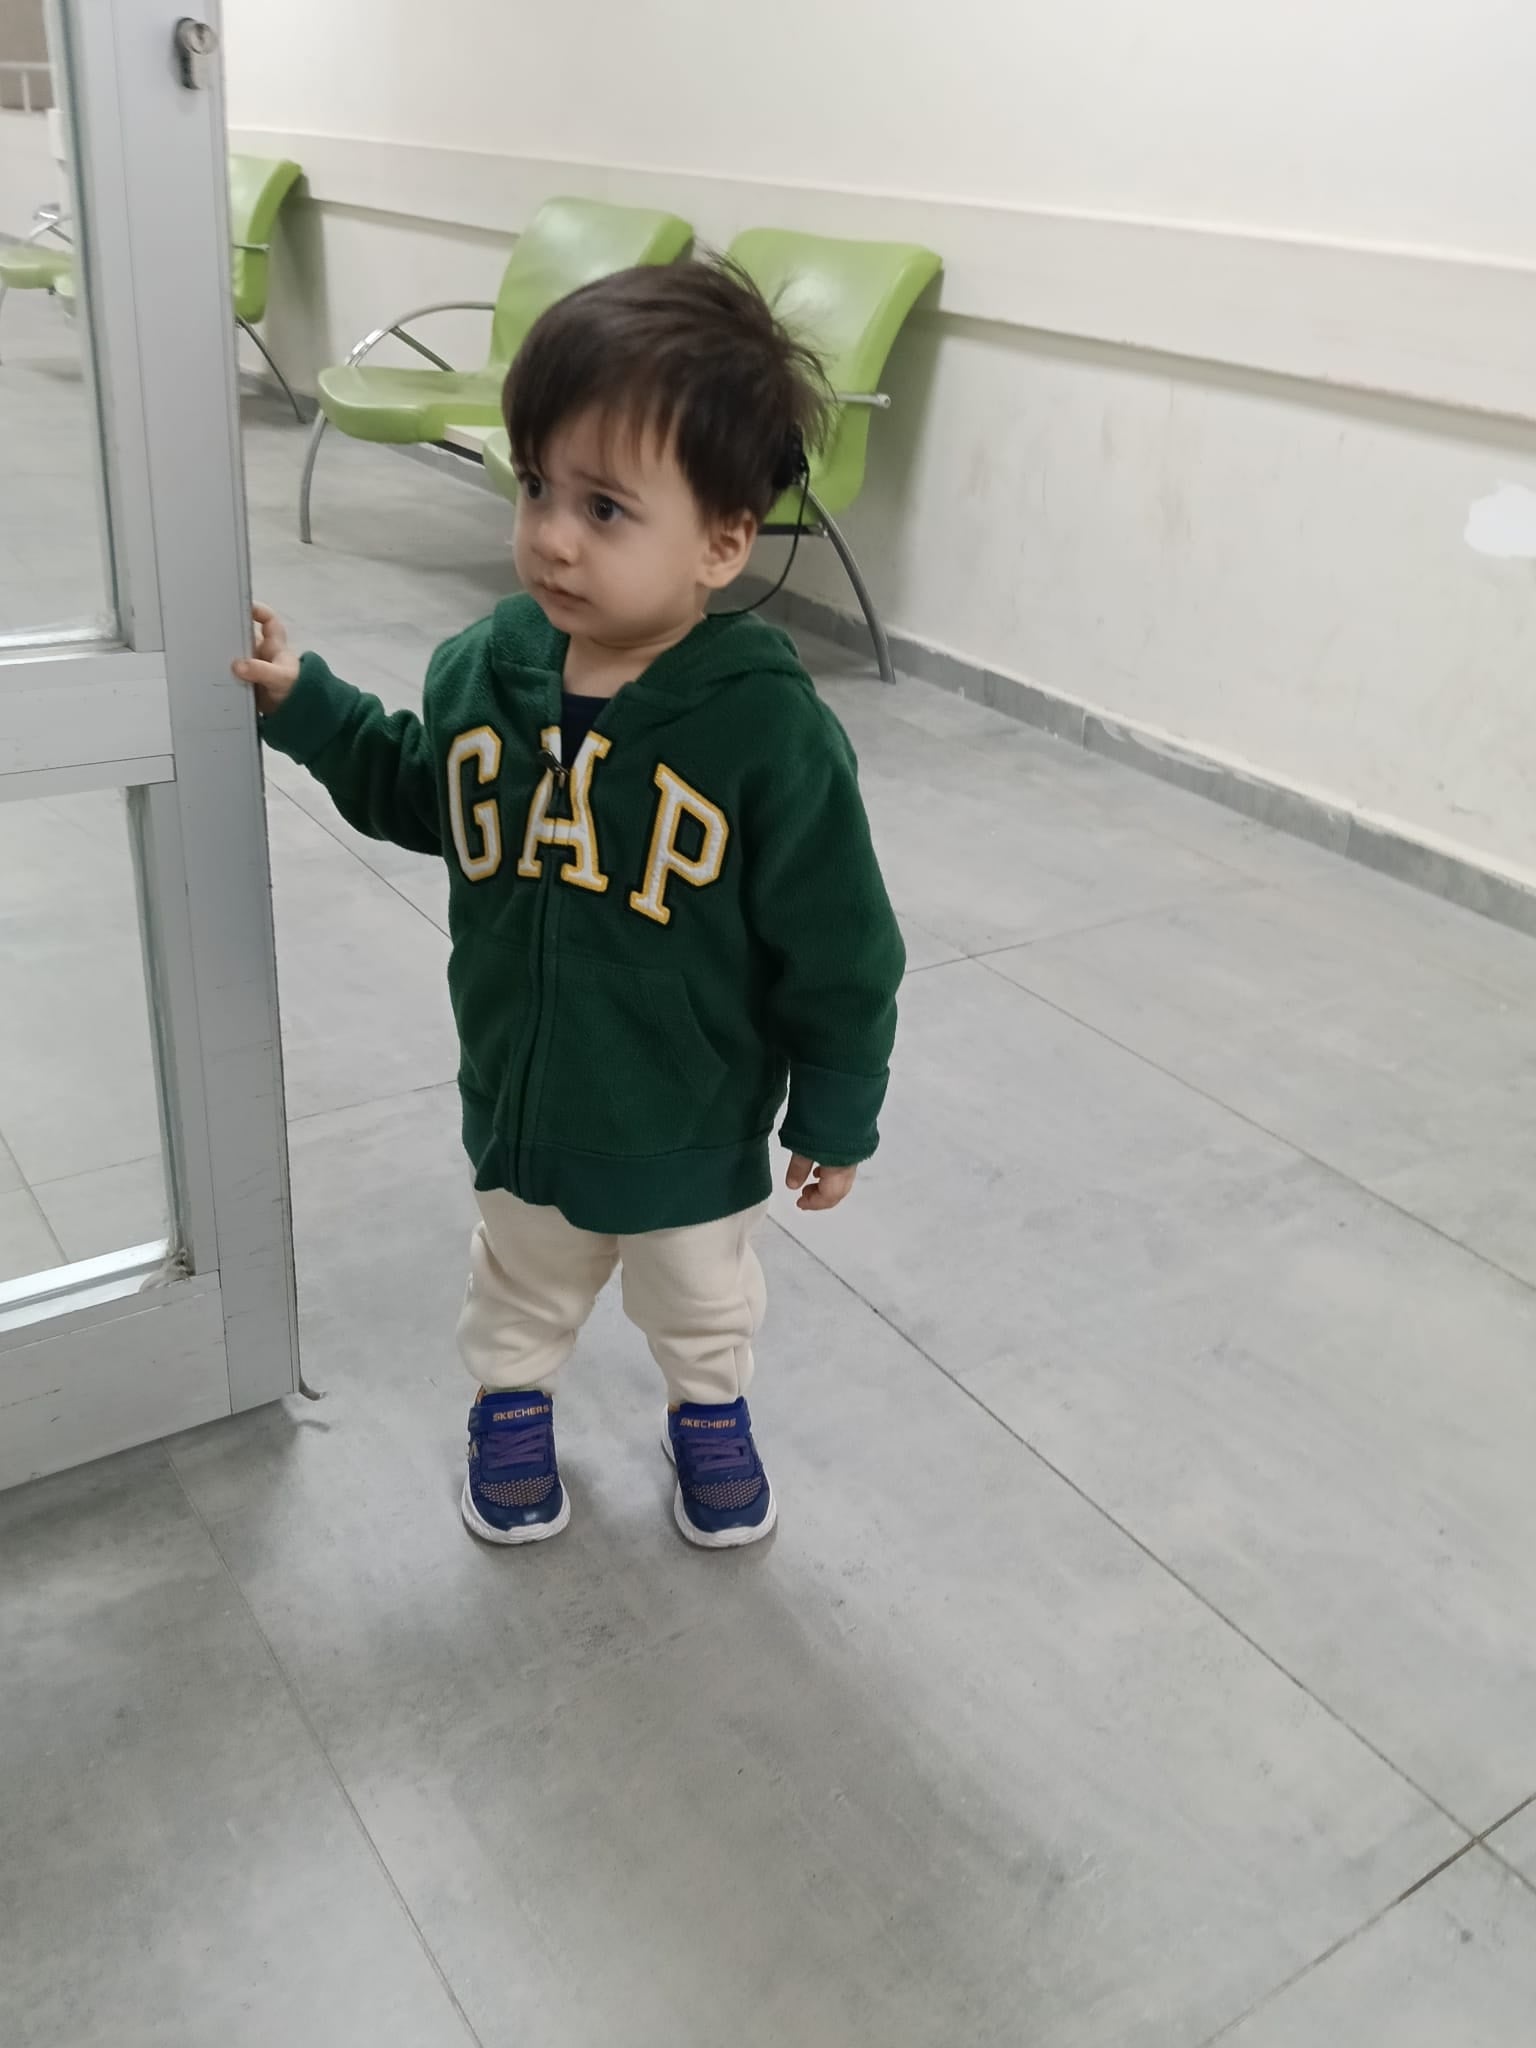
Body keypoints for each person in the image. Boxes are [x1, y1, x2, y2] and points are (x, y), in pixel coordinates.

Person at [234, 259, 904, 1551]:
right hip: (524, 1098)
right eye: (537, 485)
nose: (551, 535)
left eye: (605, 507)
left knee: (699, 1296)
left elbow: (842, 948)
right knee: (520, 1280)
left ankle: (709, 1412)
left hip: (689, 1115)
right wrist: (309, 707)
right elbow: (426, 793)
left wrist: (837, 1108)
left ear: (721, 541)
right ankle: (512, 1405)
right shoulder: (480, 671)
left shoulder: (767, 732)